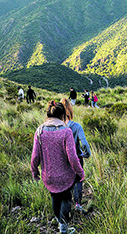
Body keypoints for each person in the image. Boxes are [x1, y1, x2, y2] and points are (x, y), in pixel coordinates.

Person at [31, 101, 85, 234]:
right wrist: (80, 172)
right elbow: (72, 157)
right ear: (62, 116)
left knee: (54, 198)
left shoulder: (39, 131)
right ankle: (63, 228)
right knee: (66, 200)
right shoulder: (66, 132)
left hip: (48, 176)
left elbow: (35, 156)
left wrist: (34, 171)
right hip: (66, 176)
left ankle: (60, 221)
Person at [60, 98, 91, 212]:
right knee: (78, 180)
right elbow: (84, 143)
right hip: (77, 157)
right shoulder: (77, 126)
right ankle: (78, 204)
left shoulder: (57, 127)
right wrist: (87, 153)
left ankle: (65, 206)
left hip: (63, 158)